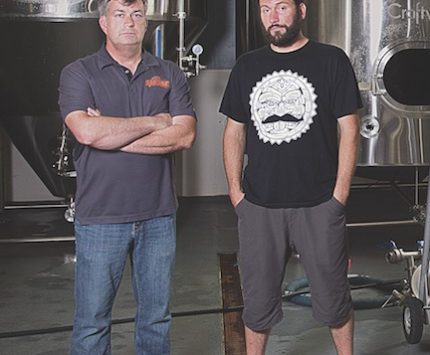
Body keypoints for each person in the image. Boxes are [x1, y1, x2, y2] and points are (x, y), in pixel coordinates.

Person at [220, 0, 361, 354]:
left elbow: (350, 130)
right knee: (257, 304)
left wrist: (339, 196)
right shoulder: (247, 66)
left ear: (301, 10)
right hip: (259, 205)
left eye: (281, 7)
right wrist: (237, 194)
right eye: (266, 9)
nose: (273, 17)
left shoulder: (331, 60)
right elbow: (234, 132)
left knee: (334, 300)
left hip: (318, 203)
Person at [58, 0, 196, 353]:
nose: (129, 23)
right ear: (103, 23)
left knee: (156, 320)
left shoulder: (169, 72)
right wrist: (155, 121)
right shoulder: (78, 72)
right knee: (92, 324)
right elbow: (86, 133)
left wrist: (110, 134)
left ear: (146, 23)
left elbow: (183, 136)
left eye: (137, 15)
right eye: (119, 14)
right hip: (101, 218)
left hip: (158, 216)